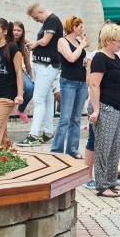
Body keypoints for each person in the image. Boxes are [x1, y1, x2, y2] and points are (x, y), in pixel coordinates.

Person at [87, 23, 120, 197]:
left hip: (117, 107)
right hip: (105, 106)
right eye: (118, 40)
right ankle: (102, 186)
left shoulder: (116, 58)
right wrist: (96, 110)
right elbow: (94, 85)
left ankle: (111, 181)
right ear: (108, 40)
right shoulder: (100, 58)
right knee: (104, 146)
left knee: (117, 146)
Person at [19, 3, 63, 147]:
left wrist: (34, 44)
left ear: (40, 11)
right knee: (47, 99)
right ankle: (48, 131)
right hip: (43, 65)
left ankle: (33, 134)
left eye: (35, 17)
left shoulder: (52, 20)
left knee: (39, 98)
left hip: (47, 66)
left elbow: (45, 41)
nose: (36, 20)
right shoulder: (49, 21)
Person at [50, 16, 89, 158]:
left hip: (81, 81)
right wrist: (82, 46)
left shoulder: (78, 42)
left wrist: (84, 59)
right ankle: (56, 150)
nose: (82, 29)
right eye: (80, 27)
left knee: (76, 118)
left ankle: (72, 149)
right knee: (65, 118)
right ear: (73, 27)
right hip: (69, 82)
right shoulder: (62, 41)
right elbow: (71, 58)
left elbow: (80, 55)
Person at [12, 21, 34, 123]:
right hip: (6, 71)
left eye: (19, 30)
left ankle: (20, 109)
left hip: (19, 70)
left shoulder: (23, 45)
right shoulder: (5, 41)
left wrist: (31, 76)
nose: (16, 32)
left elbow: (27, 62)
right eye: (14, 30)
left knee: (30, 87)